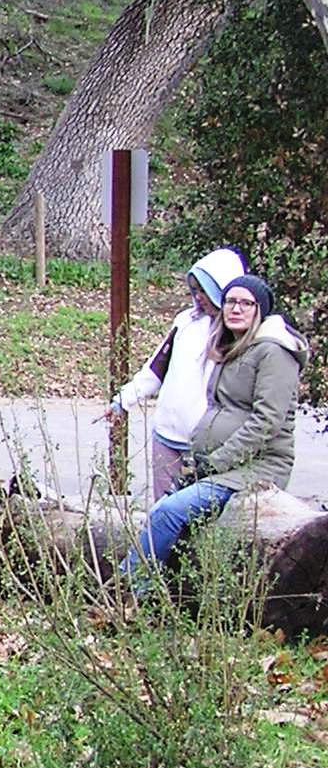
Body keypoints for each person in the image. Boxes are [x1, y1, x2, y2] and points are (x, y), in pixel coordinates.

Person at [120, 274, 309, 583]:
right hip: (220, 467)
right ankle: (159, 595)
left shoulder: (273, 353)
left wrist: (215, 462)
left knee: (168, 513)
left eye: (246, 303)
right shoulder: (234, 347)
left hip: (256, 469)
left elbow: (267, 422)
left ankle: (125, 591)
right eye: (230, 302)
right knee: (169, 516)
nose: (236, 309)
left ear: (259, 310)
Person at [101, 246, 246, 500]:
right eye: (196, 290)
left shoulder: (237, 336)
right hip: (167, 436)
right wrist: (122, 401)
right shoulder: (185, 322)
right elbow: (156, 369)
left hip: (206, 446)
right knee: (163, 511)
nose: (199, 297)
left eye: (205, 290)